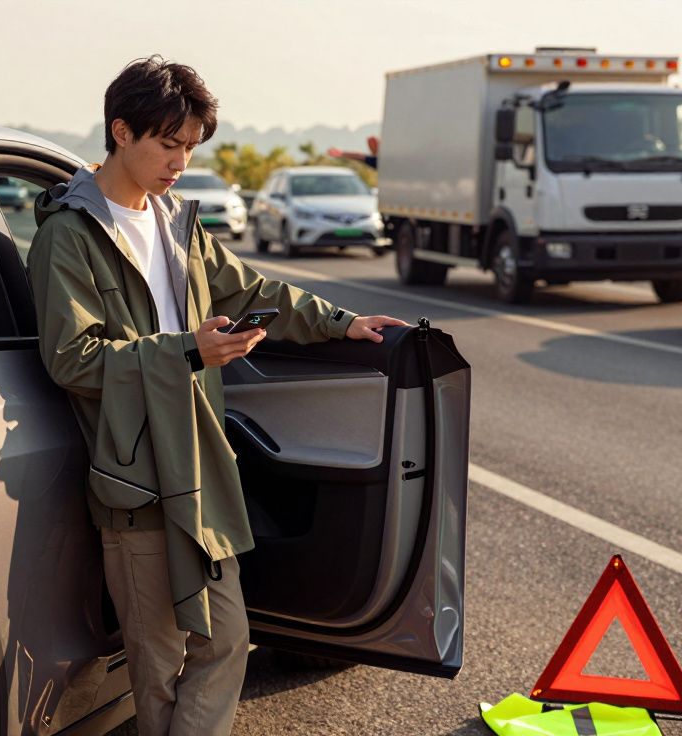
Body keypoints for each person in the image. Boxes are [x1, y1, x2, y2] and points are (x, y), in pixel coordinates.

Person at [27, 56, 406, 736]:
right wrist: (188, 352)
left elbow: (253, 291)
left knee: (226, 640)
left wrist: (341, 323)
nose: (180, 162)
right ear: (121, 131)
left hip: (199, 467)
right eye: (168, 144)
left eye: (190, 147)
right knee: (158, 660)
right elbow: (71, 360)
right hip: (135, 481)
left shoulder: (177, 222)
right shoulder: (69, 236)